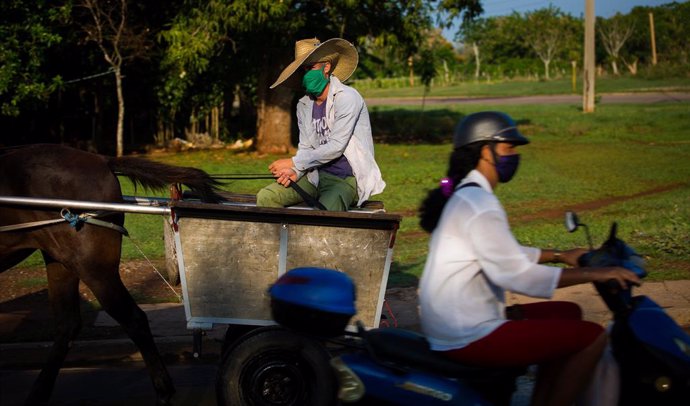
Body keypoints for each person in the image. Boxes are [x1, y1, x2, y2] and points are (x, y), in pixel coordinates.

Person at [417, 111, 641, 406]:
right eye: (509, 148)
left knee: (568, 313)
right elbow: (518, 276)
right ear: (487, 151)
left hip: (454, 324)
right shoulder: (480, 204)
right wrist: (597, 274)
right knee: (592, 337)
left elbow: (503, 253)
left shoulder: (468, 195)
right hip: (467, 334)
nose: (514, 156)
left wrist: (562, 255)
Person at [256, 38, 385, 211]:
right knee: (266, 197)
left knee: (324, 215)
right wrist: (295, 171)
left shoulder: (347, 97)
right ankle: (280, 238)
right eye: (304, 70)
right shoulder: (304, 105)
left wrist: (293, 161)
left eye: (311, 68)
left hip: (345, 179)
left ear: (326, 67)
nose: (307, 74)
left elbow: (336, 146)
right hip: (314, 176)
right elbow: (306, 148)